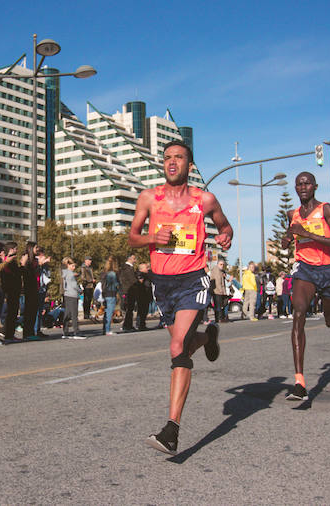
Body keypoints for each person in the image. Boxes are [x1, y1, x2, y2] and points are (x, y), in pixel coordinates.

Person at [129, 140, 232, 455]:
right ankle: (207, 338)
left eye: (179, 158)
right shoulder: (149, 198)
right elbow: (133, 237)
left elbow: (225, 227)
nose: (172, 162)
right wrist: (151, 237)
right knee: (184, 344)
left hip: (192, 280)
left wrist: (226, 236)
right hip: (162, 284)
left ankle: (171, 430)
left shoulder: (205, 199)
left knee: (176, 347)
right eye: (167, 158)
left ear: (190, 165)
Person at [280, 172, 330, 401]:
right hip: (305, 269)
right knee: (298, 314)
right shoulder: (292, 214)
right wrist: (286, 239)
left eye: (307, 183)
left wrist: (309, 234)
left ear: (315, 186)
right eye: (299, 184)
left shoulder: (326, 210)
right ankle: (299, 382)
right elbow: (291, 236)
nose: (302, 187)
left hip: (328, 269)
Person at [0, 241, 22, 341]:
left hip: (15, 289)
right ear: (11, 249)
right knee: (11, 312)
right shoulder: (7, 261)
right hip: (10, 289)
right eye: (16, 249)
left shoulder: (12, 261)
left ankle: (10, 333)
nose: (17, 251)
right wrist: (22, 266)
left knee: (14, 312)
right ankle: (7, 333)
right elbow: (11, 274)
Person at [20, 241, 41, 340]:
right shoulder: (27, 260)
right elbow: (26, 274)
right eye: (36, 247)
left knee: (33, 311)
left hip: (35, 287)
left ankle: (31, 331)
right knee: (29, 311)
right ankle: (27, 333)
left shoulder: (35, 260)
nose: (37, 249)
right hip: (29, 288)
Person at [60, 257, 83, 339]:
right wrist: (80, 290)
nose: (74, 268)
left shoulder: (64, 273)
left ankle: (65, 332)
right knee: (74, 314)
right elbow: (74, 285)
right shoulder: (70, 274)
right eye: (73, 266)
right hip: (73, 295)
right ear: (68, 265)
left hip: (67, 294)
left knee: (67, 313)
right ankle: (76, 332)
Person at [119, 253, 139, 332]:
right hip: (128, 290)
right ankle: (127, 325)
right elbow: (131, 280)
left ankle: (128, 325)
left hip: (128, 290)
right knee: (129, 309)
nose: (135, 260)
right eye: (134, 259)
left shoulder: (128, 267)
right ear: (130, 259)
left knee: (130, 309)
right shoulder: (127, 268)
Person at [101, 255, 120, 336]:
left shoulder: (104, 272)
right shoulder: (113, 274)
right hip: (111, 293)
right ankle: (107, 329)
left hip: (105, 293)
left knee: (106, 312)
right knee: (109, 312)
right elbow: (115, 284)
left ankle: (105, 329)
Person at [136, 262, 153, 329]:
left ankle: (142, 324)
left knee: (145, 310)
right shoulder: (140, 274)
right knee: (141, 310)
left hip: (147, 293)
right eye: (146, 268)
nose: (147, 269)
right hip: (142, 294)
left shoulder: (147, 274)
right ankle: (140, 324)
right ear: (141, 269)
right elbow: (140, 283)